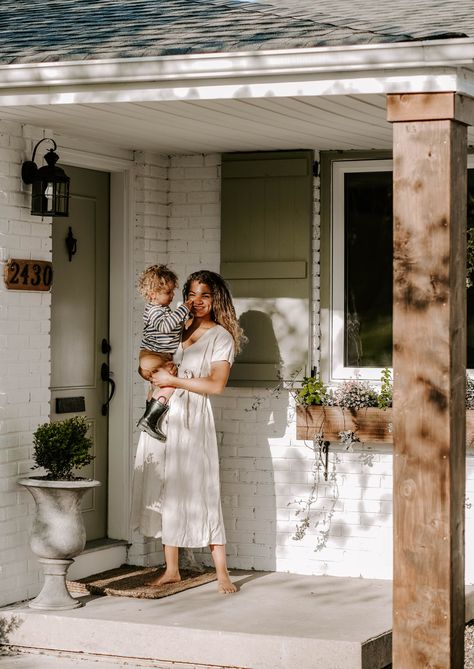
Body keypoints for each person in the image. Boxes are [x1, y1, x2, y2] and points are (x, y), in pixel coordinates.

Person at [132, 270, 245, 594]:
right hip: (163, 414)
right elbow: (150, 363)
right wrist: (151, 372)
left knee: (202, 487)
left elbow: (215, 385)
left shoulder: (220, 337)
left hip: (194, 419)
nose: (196, 301)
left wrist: (174, 381)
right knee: (167, 487)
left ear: (215, 300)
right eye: (191, 294)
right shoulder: (174, 327)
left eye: (204, 295)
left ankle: (222, 571)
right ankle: (172, 570)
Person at [136, 264, 192, 440]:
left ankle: (149, 411)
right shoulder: (153, 311)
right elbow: (166, 327)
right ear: (153, 294)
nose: (172, 295)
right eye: (168, 293)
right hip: (152, 356)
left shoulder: (163, 310)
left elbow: (174, 324)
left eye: (172, 291)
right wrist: (183, 308)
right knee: (170, 382)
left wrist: (185, 318)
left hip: (157, 356)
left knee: (158, 386)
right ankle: (149, 419)